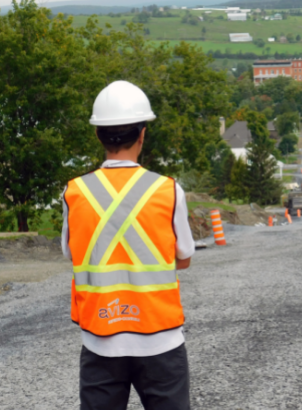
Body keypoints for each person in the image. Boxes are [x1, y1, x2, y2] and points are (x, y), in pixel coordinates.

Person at [61, 81, 195, 410]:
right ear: (142, 134)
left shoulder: (74, 192)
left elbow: (72, 254)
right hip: (161, 340)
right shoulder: (168, 190)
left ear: (98, 135)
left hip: (99, 342)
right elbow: (184, 258)